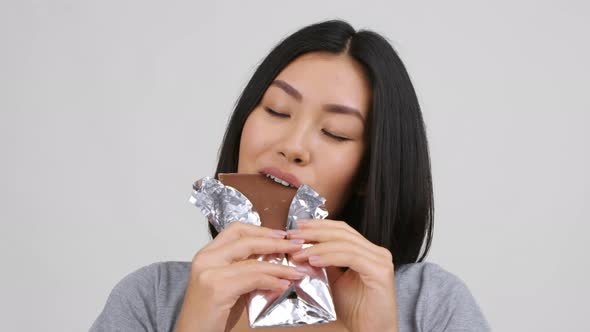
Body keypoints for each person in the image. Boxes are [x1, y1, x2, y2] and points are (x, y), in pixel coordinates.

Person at [90, 20, 490, 332]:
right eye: (278, 110)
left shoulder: (431, 305)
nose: (293, 145)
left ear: (370, 173)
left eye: (335, 133)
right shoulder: (152, 300)